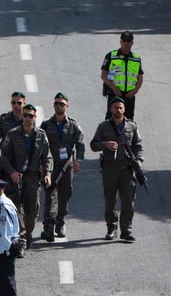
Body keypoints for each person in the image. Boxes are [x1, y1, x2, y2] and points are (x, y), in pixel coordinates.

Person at [0, 103, 51, 250]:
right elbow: (4, 158)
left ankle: (28, 232)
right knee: (17, 209)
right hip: (16, 178)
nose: (27, 118)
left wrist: (47, 174)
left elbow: (47, 158)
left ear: (35, 117)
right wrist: (12, 172)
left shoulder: (41, 135)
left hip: (33, 178)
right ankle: (22, 239)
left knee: (32, 212)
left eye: (30, 116)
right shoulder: (13, 134)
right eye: (25, 115)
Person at [90, 96, 143, 242]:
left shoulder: (132, 126)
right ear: (110, 109)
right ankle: (111, 228)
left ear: (124, 109)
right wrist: (105, 144)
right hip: (110, 169)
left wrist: (138, 162)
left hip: (127, 169)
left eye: (120, 107)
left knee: (128, 200)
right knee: (110, 200)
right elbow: (93, 144)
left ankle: (126, 230)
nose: (118, 110)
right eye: (115, 108)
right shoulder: (103, 126)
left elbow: (138, 146)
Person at [40, 92, 85, 241]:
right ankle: (49, 226)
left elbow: (80, 144)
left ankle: (60, 222)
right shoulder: (46, 125)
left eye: (61, 104)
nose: (58, 106)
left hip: (67, 166)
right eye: (56, 103)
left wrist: (78, 160)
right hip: (51, 166)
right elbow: (40, 145)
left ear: (67, 106)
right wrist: (41, 165)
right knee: (51, 195)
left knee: (65, 194)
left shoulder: (73, 125)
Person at [101, 31, 143, 119]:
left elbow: (140, 78)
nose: (126, 43)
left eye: (128, 41)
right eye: (124, 40)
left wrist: (134, 91)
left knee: (129, 121)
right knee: (110, 120)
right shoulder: (111, 56)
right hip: (115, 94)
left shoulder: (136, 58)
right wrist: (114, 88)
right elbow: (104, 76)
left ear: (132, 43)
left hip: (129, 95)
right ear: (120, 42)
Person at [0, 91, 26, 164]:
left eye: (19, 103)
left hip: (23, 157)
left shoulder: (28, 118)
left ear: (24, 103)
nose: (16, 105)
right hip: (6, 156)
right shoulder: (4, 118)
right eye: (13, 103)